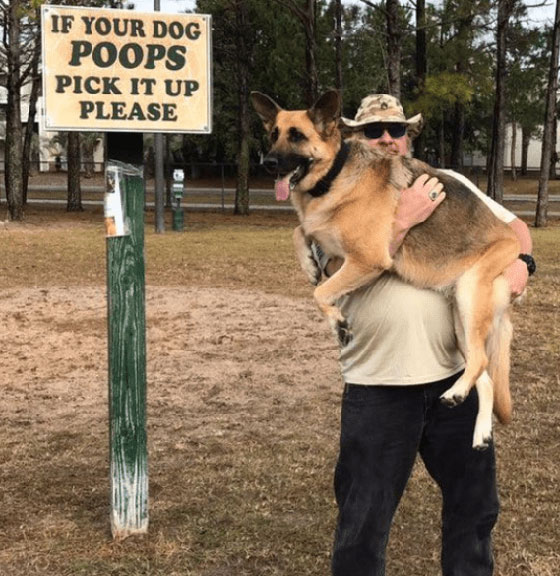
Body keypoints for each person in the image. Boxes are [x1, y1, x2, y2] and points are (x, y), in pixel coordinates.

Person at [311, 94, 534, 576]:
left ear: (409, 136)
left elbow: (514, 228)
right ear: (355, 139)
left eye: (396, 129)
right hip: (379, 387)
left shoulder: (446, 183)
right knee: (362, 522)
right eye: (374, 131)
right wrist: (404, 218)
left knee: (475, 510)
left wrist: (523, 265)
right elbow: (348, 265)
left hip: (453, 378)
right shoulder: (329, 200)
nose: (387, 138)